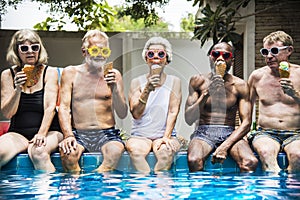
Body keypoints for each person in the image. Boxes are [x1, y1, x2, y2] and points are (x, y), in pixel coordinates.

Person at [58, 30, 128, 173]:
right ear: (84, 52)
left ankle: (92, 184)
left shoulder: (114, 75)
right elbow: (64, 108)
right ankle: (80, 187)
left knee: (115, 152)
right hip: (79, 133)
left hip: (107, 133)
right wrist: (68, 135)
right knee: (68, 155)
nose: (100, 54)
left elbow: (122, 113)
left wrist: (115, 88)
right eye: (95, 49)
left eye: (104, 50)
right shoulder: (70, 73)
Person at [185, 42, 258, 172]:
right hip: (203, 132)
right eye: (215, 54)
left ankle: (241, 192)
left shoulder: (240, 85)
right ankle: (202, 192)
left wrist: (224, 146)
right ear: (210, 57)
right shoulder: (197, 81)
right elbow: (189, 118)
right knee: (194, 160)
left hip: (229, 132)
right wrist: (206, 94)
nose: (220, 58)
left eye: (225, 55)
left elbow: (246, 123)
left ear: (232, 61)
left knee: (250, 162)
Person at [0, 29, 63, 172]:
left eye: (35, 47)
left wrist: (41, 134)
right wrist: (17, 89)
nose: (30, 51)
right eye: (24, 48)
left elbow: (50, 108)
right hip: (18, 132)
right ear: (17, 51)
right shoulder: (7, 75)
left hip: (50, 131)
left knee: (38, 153)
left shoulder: (49, 72)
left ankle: (50, 193)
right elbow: (8, 114)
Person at [126, 36, 182, 173]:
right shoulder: (136, 82)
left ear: (167, 60)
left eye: (161, 54)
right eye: (151, 54)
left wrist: (166, 137)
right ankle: (143, 188)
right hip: (140, 135)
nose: (155, 57)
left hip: (165, 134)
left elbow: (173, 112)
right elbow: (136, 114)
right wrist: (147, 90)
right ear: (146, 59)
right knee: (136, 153)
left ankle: (161, 190)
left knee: (166, 153)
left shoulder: (174, 81)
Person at [248, 31, 300, 173]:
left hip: (296, 133)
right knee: (266, 154)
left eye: (275, 51)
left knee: (298, 156)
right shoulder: (257, 76)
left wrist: (295, 95)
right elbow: (247, 107)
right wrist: (244, 133)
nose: (269, 56)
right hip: (265, 133)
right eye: (265, 52)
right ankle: (272, 193)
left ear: (289, 51)